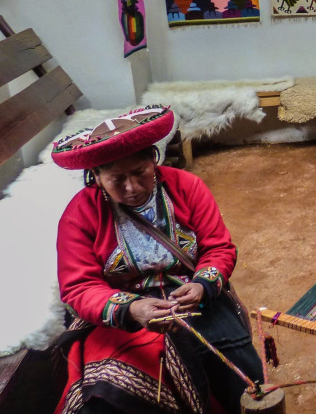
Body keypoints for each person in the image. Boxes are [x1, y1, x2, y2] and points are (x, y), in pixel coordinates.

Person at [51, 105, 263, 413]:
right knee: (109, 392)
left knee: (238, 368)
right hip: (123, 308)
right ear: (94, 176)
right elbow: (79, 287)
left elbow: (218, 248)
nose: (132, 188)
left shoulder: (187, 187)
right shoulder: (79, 215)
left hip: (190, 295)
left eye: (140, 172)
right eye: (116, 179)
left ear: (154, 158)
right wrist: (132, 308)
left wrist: (202, 285)